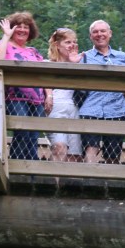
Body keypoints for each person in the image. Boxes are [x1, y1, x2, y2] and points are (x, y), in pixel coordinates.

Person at [0, 12, 49, 160]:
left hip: (37, 99)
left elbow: (44, 74)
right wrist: (6, 35)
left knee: (33, 136)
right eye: (18, 26)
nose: (22, 30)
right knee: (22, 131)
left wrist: (49, 95)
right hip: (15, 97)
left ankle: (31, 170)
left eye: (26, 27)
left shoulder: (33, 51)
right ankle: (16, 166)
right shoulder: (3, 45)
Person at [78, 20, 125, 164]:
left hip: (116, 110)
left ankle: (110, 178)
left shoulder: (122, 57)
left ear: (110, 33)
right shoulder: (84, 57)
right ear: (90, 36)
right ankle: (88, 176)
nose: (99, 34)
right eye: (95, 32)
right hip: (91, 109)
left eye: (103, 31)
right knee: (91, 148)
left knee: (113, 154)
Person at [46, 28, 82, 162]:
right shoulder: (47, 64)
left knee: (74, 155)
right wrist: (49, 95)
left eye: (74, 42)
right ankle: (52, 176)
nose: (72, 45)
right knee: (59, 147)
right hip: (56, 108)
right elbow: (44, 82)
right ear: (57, 45)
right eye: (67, 42)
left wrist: (75, 64)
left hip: (75, 109)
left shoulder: (80, 63)